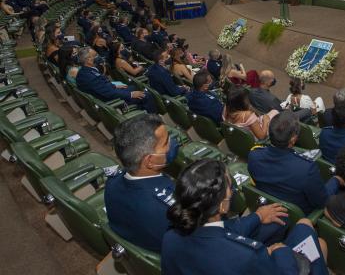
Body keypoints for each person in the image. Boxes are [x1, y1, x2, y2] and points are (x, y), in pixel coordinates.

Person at [161, 158, 329, 275]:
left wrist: (257, 216)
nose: (232, 188)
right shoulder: (247, 256)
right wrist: (280, 252)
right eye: (229, 185)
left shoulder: (169, 237)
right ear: (222, 205)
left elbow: (223, 231)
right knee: (307, 229)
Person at [104, 115, 179, 252]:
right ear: (149, 161)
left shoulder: (111, 183)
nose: (172, 143)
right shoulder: (169, 209)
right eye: (166, 143)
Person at [248, 111, 340, 215]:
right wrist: (335, 181)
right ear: (293, 140)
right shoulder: (306, 169)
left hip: (271, 208)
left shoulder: (254, 155)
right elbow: (322, 202)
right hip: (300, 215)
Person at [75, 47, 156, 113]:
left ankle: (142, 110)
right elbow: (109, 93)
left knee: (133, 87)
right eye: (95, 55)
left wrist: (114, 85)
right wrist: (131, 94)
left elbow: (101, 86)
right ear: (89, 60)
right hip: (113, 101)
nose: (98, 56)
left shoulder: (84, 71)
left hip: (107, 93)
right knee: (146, 95)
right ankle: (153, 119)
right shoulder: (90, 77)